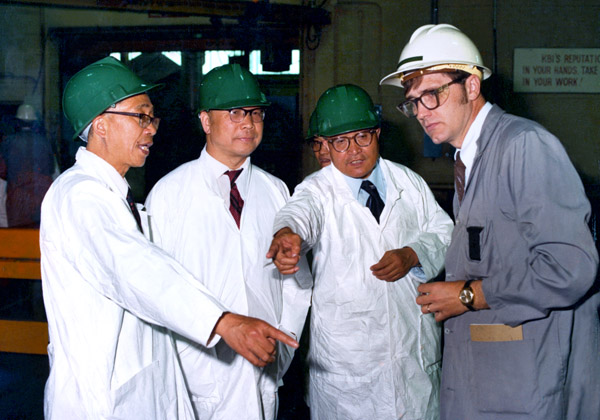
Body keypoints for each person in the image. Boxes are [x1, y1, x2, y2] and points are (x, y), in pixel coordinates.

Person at [40, 56, 298, 420]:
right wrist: (223, 321)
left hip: (145, 390)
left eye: (152, 118)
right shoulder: (79, 196)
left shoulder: (116, 196)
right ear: (101, 124)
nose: (151, 129)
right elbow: (134, 268)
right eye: (140, 117)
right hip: (101, 399)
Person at [380, 23, 600, 420]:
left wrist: (469, 295)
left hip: (523, 388)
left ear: (471, 85)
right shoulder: (470, 158)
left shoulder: (523, 146)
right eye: (413, 102)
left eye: (432, 94)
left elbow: (571, 267)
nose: (421, 112)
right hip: (488, 382)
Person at [267, 84, 454, 420]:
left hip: (414, 366)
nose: (353, 150)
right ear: (325, 145)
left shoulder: (408, 183)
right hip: (348, 380)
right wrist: (287, 233)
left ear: (377, 134)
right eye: (340, 141)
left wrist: (412, 254)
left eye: (362, 137)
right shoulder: (318, 190)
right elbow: (300, 212)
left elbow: (444, 231)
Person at [145, 63, 312, 420]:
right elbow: (157, 291)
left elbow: (297, 284)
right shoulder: (168, 194)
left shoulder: (277, 191)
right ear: (206, 121)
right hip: (196, 376)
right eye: (235, 112)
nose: (248, 124)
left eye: (255, 113)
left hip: (263, 372)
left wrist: (281, 350)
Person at [0, 103, 54, 227]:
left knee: (18, 235)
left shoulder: (8, 142)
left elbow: (2, 171)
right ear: (34, 122)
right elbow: (51, 168)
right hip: (42, 195)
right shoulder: (45, 142)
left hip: (17, 198)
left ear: (17, 122)